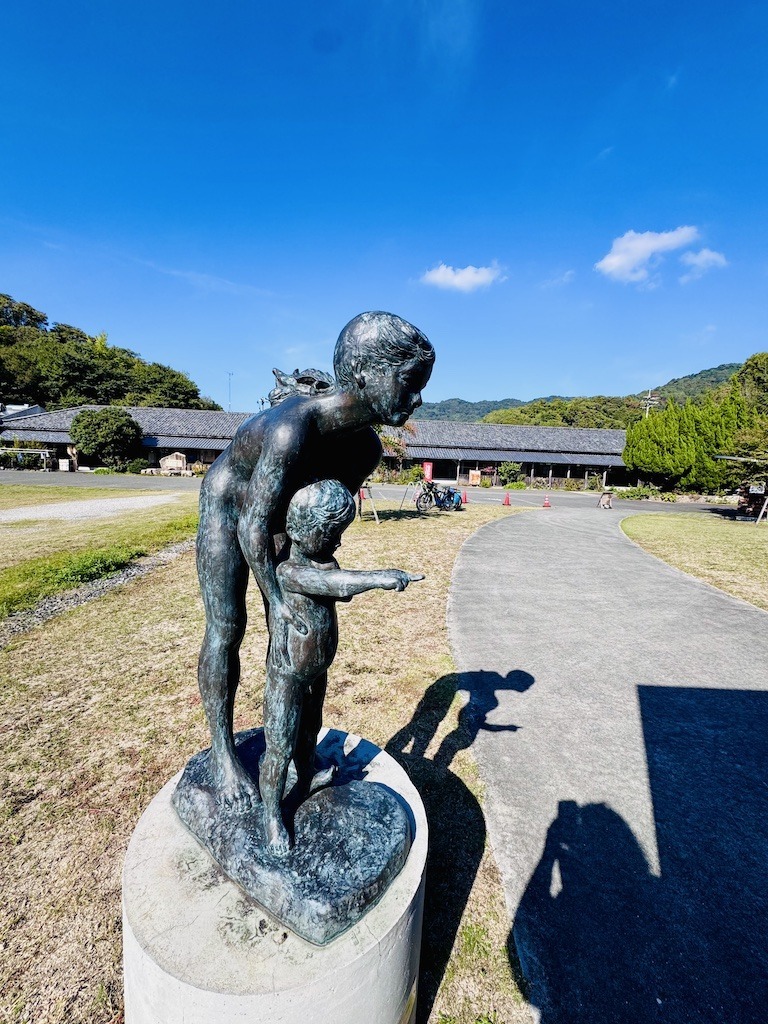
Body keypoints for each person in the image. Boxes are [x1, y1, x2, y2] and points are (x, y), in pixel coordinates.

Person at [196, 311, 434, 812]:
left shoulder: (365, 449)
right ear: (367, 374)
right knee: (227, 627)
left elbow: (317, 529)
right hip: (232, 504)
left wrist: (308, 593)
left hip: (280, 511)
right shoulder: (293, 427)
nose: (418, 400)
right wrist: (279, 599)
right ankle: (223, 753)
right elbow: (252, 524)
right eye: (410, 385)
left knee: (291, 645)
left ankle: (300, 752)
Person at [260, 479, 423, 853]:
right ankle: (271, 815)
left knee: (311, 729)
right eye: (331, 534)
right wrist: (380, 578)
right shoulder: (288, 571)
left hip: (316, 670)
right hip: (287, 676)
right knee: (280, 746)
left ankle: (305, 778)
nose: (337, 543)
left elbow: (337, 587)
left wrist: (351, 581)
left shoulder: (323, 560)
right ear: (303, 531)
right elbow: (335, 585)